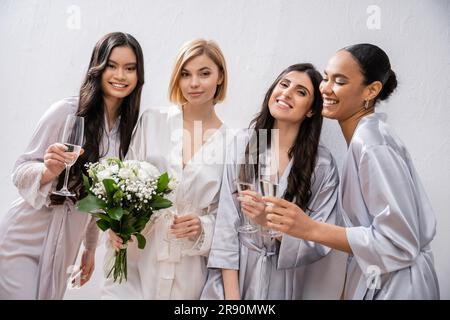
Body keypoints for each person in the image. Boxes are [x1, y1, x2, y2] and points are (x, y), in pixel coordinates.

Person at [265, 44, 440, 299]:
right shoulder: (364, 140)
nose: (325, 88)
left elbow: (400, 243)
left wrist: (309, 228)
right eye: (326, 77)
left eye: (340, 81)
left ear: (371, 90)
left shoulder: (371, 145)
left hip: (400, 287)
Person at [0, 32, 144, 299]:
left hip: (64, 246)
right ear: (97, 69)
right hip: (24, 238)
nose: (120, 75)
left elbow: (95, 198)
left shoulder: (126, 134)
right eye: (111, 65)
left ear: (138, 75)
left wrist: (88, 248)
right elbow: (19, 171)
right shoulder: (67, 112)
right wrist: (47, 171)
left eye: (129, 68)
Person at [102, 38, 232, 300]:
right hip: (136, 256)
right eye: (185, 74)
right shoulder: (153, 120)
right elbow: (123, 181)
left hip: (188, 270)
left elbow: (230, 218)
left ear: (220, 76)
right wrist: (115, 227)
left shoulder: (233, 142)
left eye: (204, 73)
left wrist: (202, 225)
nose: (193, 83)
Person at [201, 63, 339, 300]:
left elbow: (319, 239)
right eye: (284, 84)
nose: (286, 93)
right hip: (232, 278)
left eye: (301, 91)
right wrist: (232, 299)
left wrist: (270, 224)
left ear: (311, 111)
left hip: (282, 281)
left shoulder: (321, 165)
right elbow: (226, 223)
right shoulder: (247, 143)